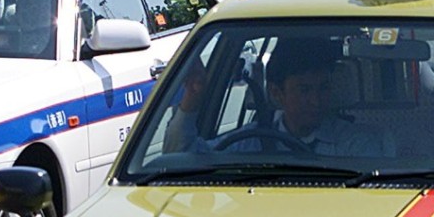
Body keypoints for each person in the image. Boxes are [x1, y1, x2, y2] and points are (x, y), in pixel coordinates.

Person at [164, 38, 394, 157]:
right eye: (304, 90)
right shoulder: (249, 141)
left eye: (323, 88)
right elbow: (180, 159)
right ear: (276, 93)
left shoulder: (358, 144)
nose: (316, 101)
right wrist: (192, 96)